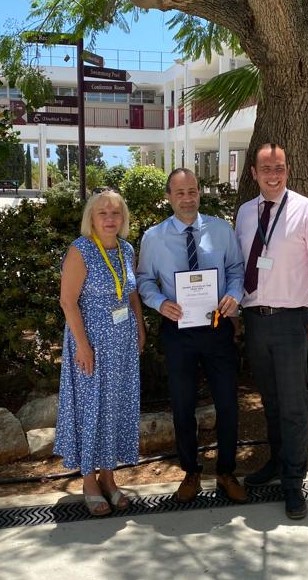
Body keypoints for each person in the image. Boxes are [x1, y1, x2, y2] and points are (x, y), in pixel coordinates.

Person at [235, 143, 308, 519]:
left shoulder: (307, 211)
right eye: (266, 169)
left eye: (279, 167)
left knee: (293, 405)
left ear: (288, 170)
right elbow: (238, 266)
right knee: (271, 401)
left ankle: (294, 484)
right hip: (255, 319)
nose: (273, 175)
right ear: (254, 174)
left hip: (293, 320)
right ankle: (277, 463)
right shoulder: (246, 213)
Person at [137, 168, 247, 504]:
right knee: (182, 406)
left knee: (228, 403)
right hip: (177, 332)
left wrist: (234, 296)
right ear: (169, 196)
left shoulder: (220, 229)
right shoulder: (154, 238)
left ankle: (227, 471)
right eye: (180, 192)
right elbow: (143, 280)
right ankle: (191, 472)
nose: (187, 198)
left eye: (193, 191)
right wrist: (159, 303)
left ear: (200, 193)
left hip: (216, 328)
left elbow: (236, 270)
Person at [54, 189, 146, 516]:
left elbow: (130, 292)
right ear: (91, 218)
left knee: (115, 407)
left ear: (123, 219)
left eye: (116, 213)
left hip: (121, 345)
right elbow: (68, 301)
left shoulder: (125, 249)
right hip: (90, 343)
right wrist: (82, 345)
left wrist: (140, 326)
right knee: (92, 409)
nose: (110, 219)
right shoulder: (81, 251)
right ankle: (89, 481)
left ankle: (109, 477)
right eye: (103, 213)